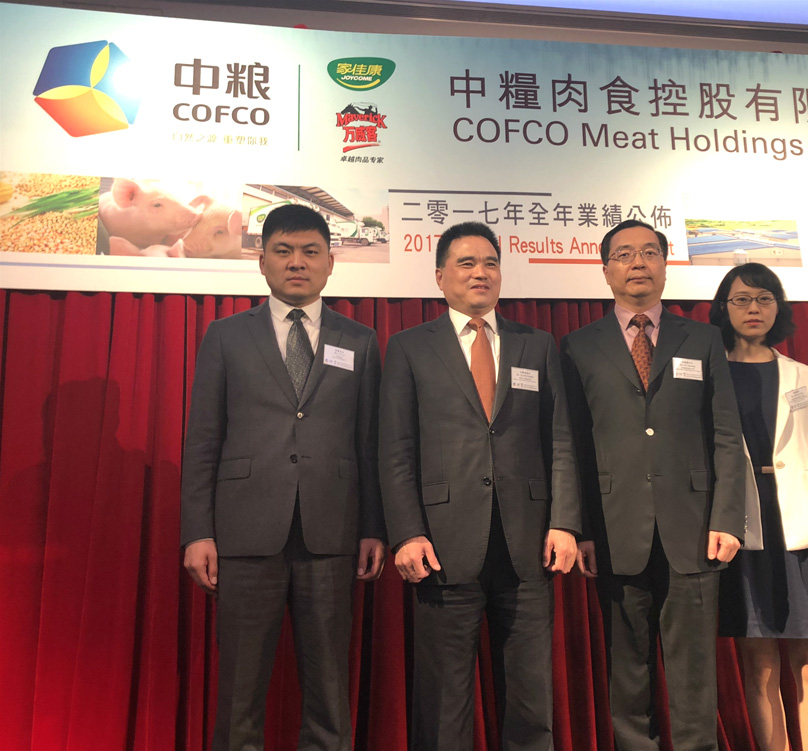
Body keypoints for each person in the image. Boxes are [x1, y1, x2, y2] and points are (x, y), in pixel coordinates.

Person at [180, 204, 385, 750]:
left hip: (332, 534)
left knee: (329, 693)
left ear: (330, 263)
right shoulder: (225, 336)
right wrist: (198, 532)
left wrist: (373, 527)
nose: (298, 262)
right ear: (262, 261)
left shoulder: (360, 340)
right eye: (284, 251)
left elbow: (369, 443)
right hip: (244, 535)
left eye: (311, 252)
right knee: (240, 694)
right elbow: (203, 440)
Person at [379, 221, 581, 751]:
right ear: (440, 276)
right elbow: (395, 449)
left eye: (490, 263)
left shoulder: (536, 345)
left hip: (528, 545)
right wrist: (407, 534)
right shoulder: (409, 347)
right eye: (466, 263)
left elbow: (559, 439)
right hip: (442, 546)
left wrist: (564, 522)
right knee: (444, 702)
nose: (480, 273)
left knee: (531, 701)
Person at [560, 219, 746, 751]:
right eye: (623, 254)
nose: (637, 263)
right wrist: (581, 529)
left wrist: (727, 519)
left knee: (694, 673)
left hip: (695, 529)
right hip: (615, 528)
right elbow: (572, 444)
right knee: (627, 671)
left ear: (665, 264)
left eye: (648, 252)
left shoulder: (703, 339)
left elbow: (726, 435)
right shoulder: (577, 346)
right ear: (605, 270)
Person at [709, 263, 808, 751]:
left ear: (778, 307)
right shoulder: (709, 373)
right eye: (741, 299)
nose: (753, 309)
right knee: (760, 666)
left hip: (802, 530)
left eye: (764, 299)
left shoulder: (804, 376)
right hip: (743, 530)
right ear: (724, 307)